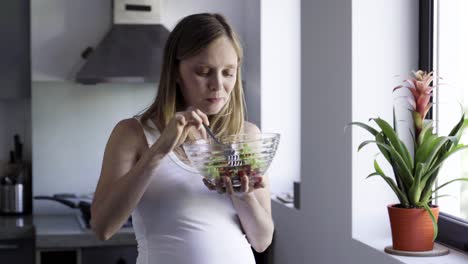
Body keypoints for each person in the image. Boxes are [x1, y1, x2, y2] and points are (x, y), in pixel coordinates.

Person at [90, 13, 274, 264]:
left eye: (228, 72)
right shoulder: (131, 134)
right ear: (175, 72)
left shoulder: (246, 136)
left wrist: (243, 195)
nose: (217, 85)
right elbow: (102, 227)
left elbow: (262, 241)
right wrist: (158, 151)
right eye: (203, 71)